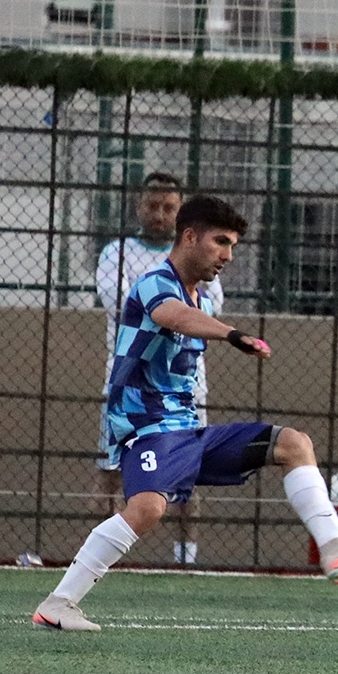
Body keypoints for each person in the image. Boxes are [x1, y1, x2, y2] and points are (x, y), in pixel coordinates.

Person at [33, 195, 338, 632]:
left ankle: (335, 546)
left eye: (233, 246)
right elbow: (174, 316)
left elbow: (189, 318)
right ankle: (58, 603)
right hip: (148, 430)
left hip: (188, 432)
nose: (228, 255)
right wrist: (233, 334)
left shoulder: (202, 299)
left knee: (293, 444)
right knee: (147, 509)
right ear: (189, 237)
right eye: (220, 242)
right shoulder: (153, 283)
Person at [93, 172, 219, 565]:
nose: (159, 214)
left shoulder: (199, 257)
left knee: (187, 472)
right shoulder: (116, 253)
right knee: (111, 472)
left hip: (185, 386)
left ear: (181, 214)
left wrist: (169, 310)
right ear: (138, 206)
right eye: (152, 205)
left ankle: (186, 558)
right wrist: (174, 311)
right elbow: (124, 305)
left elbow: (210, 309)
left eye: (169, 207)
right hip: (128, 382)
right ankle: (101, 558)